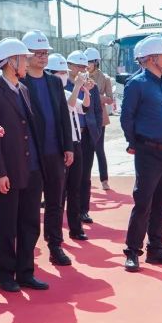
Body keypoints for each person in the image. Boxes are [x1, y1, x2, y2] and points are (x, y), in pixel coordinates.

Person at [0, 37, 52, 292]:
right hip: (9, 171)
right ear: (12, 62)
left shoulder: (23, 89)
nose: (27, 62)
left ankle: (25, 272)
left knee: (30, 223)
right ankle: (5, 275)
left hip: (31, 168)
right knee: (6, 226)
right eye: (24, 58)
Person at [119, 35, 162, 273]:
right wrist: (134, 142)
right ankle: (132, 251)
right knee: (143, 202)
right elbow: (127, 118)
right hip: (148, 152)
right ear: (153, 58)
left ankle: (156, 248)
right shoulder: (136, 84)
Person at [19, 31, 75, 267]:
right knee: (31, 205)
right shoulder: (20, 83)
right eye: (38, 53)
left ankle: (55, 245)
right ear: (26, 55)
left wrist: (68, 146)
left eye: (45, 53)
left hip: (55, 153)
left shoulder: (54, 82)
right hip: (32, 155)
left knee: (55, 202)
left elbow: (63, 115)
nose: (43, 57)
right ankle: (27, 252)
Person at [48, 53, 90, 242]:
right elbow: (71, 104)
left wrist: (86, 92)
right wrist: (78, 87)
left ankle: (76, 228)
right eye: (61, 72)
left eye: (65, 72)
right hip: (62, 146)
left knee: (75, 189)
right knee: (59, 193)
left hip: (76, 144)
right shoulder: (53, 95)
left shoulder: (65, 92)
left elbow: (83, 108)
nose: (64, 76)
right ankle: (55, 233)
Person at [68, 50, 102, 225]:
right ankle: (68, 209)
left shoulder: (91, 87)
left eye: (84, 67)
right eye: (78, 66)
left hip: (87, 136)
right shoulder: (62, 85)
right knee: (68, 177)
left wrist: (96, 132)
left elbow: (97, 110)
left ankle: (83, 210)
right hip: (69, 137)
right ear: (69, 67)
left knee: (85, 175)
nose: (82, 70)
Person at [83, 47, 114, 189]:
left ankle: (104, 179)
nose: (87, 65)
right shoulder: (81, 76)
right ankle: (85, 178)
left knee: (99, 149)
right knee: (84, 151)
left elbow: (110, 99)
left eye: (90, 61)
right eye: (85, 62)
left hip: (99, 118)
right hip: (83, 117)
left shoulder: (105, 78)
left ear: (96, 62)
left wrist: (95, 96)